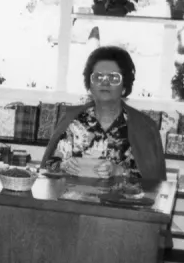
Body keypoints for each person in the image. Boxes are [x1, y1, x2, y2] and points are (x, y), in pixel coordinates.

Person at [42, 45, 168, 185]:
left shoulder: (144, 126)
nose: (105, 82)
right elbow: (48, 167)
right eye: (98, 77)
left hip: (123, 205)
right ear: (89, 85)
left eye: (114, 78)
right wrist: (62, 166)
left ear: (125, 86)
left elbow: (154, 181)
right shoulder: (72, 121)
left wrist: (120, 171)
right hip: (72, 204)